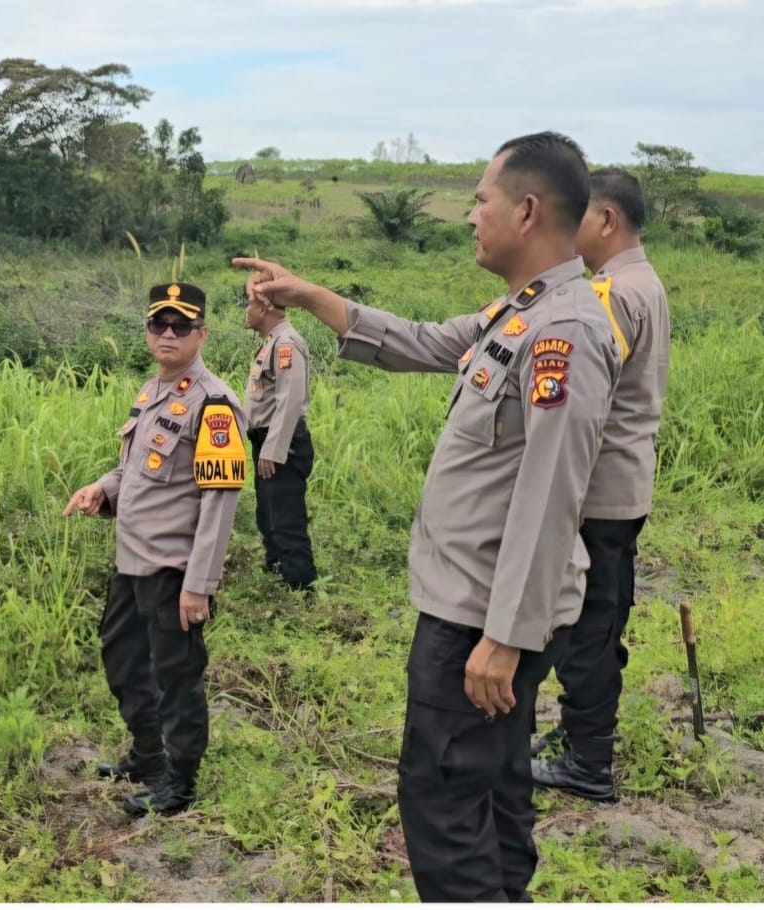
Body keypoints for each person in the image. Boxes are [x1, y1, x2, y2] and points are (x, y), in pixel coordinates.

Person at [233, 132, 620, 902]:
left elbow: (549, 500)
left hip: (482, 621)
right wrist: (308, 294)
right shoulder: (521, 312)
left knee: (443, 796)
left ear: (527, 209)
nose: (470, 215)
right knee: (496, 787)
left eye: (481, 199)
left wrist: (503, 640)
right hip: (477, 609)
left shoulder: (564, 333)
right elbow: (416, 340)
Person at [64, 282, 248, 818]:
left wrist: (200, 584)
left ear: (202, 334)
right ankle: (148, 755)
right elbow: (135, 472)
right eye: (159, 325)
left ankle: (179, 783)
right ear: (147, 331)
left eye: (181, 326)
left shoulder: (213, 405)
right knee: (123, 661)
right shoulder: (151, 392)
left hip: (174, 571)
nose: (168, 334)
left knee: (176, 676)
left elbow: (220, 502)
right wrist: (103, 488)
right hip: (132, 562)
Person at [531, 168, 671, 801]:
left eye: (581, 215)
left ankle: (588, 762)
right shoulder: (646, 282)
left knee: (586, 625)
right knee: (603, 617)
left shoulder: (611, 294)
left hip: (600, 490)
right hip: (625, 487)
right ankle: (583, 738)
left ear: (606, 220)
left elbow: (586, 395)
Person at [242, 289, 318, 592]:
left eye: (250, 304)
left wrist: (273, 450)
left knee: (286, 517)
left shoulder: (286, 343)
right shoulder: (272, 342)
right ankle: (277, 571)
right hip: (267, 440)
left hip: (282, 443)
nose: (246, 310)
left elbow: (290, 400)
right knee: (268, 513)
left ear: (265, 308)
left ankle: (301, 586)